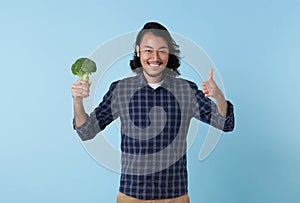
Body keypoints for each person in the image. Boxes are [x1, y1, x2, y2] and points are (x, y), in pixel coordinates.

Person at [72, 22, 234, 203]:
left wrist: (218, 96)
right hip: (131, 196)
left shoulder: (185, 90)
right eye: (148, 50)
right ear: (138, 50)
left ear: (169, 53)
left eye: (162, 50)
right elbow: (86, 131)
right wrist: (77, 101)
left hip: (175, 196)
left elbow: (225, 123)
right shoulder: (121, 89)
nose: (155, 57)